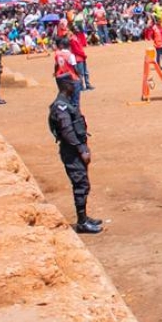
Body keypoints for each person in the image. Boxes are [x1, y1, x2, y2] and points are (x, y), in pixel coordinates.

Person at [48, 74, 101, 234]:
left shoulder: (66, 103)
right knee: (81, 184)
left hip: (75, 149)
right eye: (72, 83)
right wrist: (81, 149)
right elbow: (67, 131)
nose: (75, 85)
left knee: (83, 183)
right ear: (66, 86)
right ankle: (82, 222)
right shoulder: (60, 107)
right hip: (71, 151)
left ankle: (84, 217)